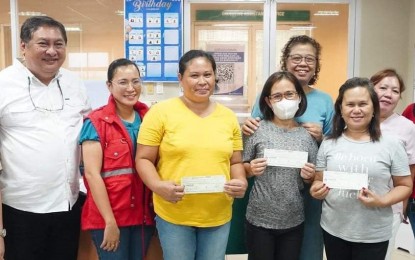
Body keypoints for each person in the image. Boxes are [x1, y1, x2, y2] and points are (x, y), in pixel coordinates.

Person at [135, 49, 247, 260]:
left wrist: (240, 180)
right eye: (194, 75)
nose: (202, 81)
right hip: (175, 213)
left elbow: (236, 161)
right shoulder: (161, 112)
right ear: (180, 78)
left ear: (215, 76)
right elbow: (143, 159)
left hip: (217, 214)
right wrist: (158, 186)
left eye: (208, 74)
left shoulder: (228, 117)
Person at [0, 16, 91, 260]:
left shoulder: (75, 84)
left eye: (58, 44)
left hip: (68, 206)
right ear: (23, 46)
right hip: (21, 210)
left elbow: (90, 137)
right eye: (43, 43)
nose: (52, 51)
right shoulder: (3, 85)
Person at [238, 35, 334, 260]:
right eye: (297, 57)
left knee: (307, 250)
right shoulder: (261, 123)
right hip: (262, 210)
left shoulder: (323, 104)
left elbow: (332, 145)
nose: (303, 63)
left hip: (300, 204)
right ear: (269, 101)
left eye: (309, 58)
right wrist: (250, 164)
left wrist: (321, 139)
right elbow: (243, 160)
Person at [310, 77, 412, 260]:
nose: (356, 110)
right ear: (341, 109)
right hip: (333, 229)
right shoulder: (328, 143)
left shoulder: (391, 145)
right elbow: (319, 179)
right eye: (350, 104)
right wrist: (316, 190)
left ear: (373, 108)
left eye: (363, 104)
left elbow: (405, 185)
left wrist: (381, 201)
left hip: (373, 233)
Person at [79, 58, 155, 259]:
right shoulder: (96, 122)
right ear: (109, 86)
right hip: (110, 217)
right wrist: (109, 222)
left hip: (143, 216)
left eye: (136, 81)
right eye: (123, 82)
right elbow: (91, 174)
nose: (131, 88)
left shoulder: (151, 119)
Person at [243, 71, 318, 260]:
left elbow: (315, 178)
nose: (284, 100)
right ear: (268, 101)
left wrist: (309, 176)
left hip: (293, 219)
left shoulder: (307, 135)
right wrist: (250, 169)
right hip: (259, 219)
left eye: (289, 94)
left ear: (299, 97)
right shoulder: (256, 129)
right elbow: (240, 167)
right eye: (277, 96)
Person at [369, 69, 415, 260]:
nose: (388, 94)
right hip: (352, 204)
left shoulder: (407, 127)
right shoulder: (355, 120)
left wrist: (402, 207)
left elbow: (411, 169)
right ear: (371, 89)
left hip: (390, 208)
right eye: (383, 88)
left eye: (395, 91)